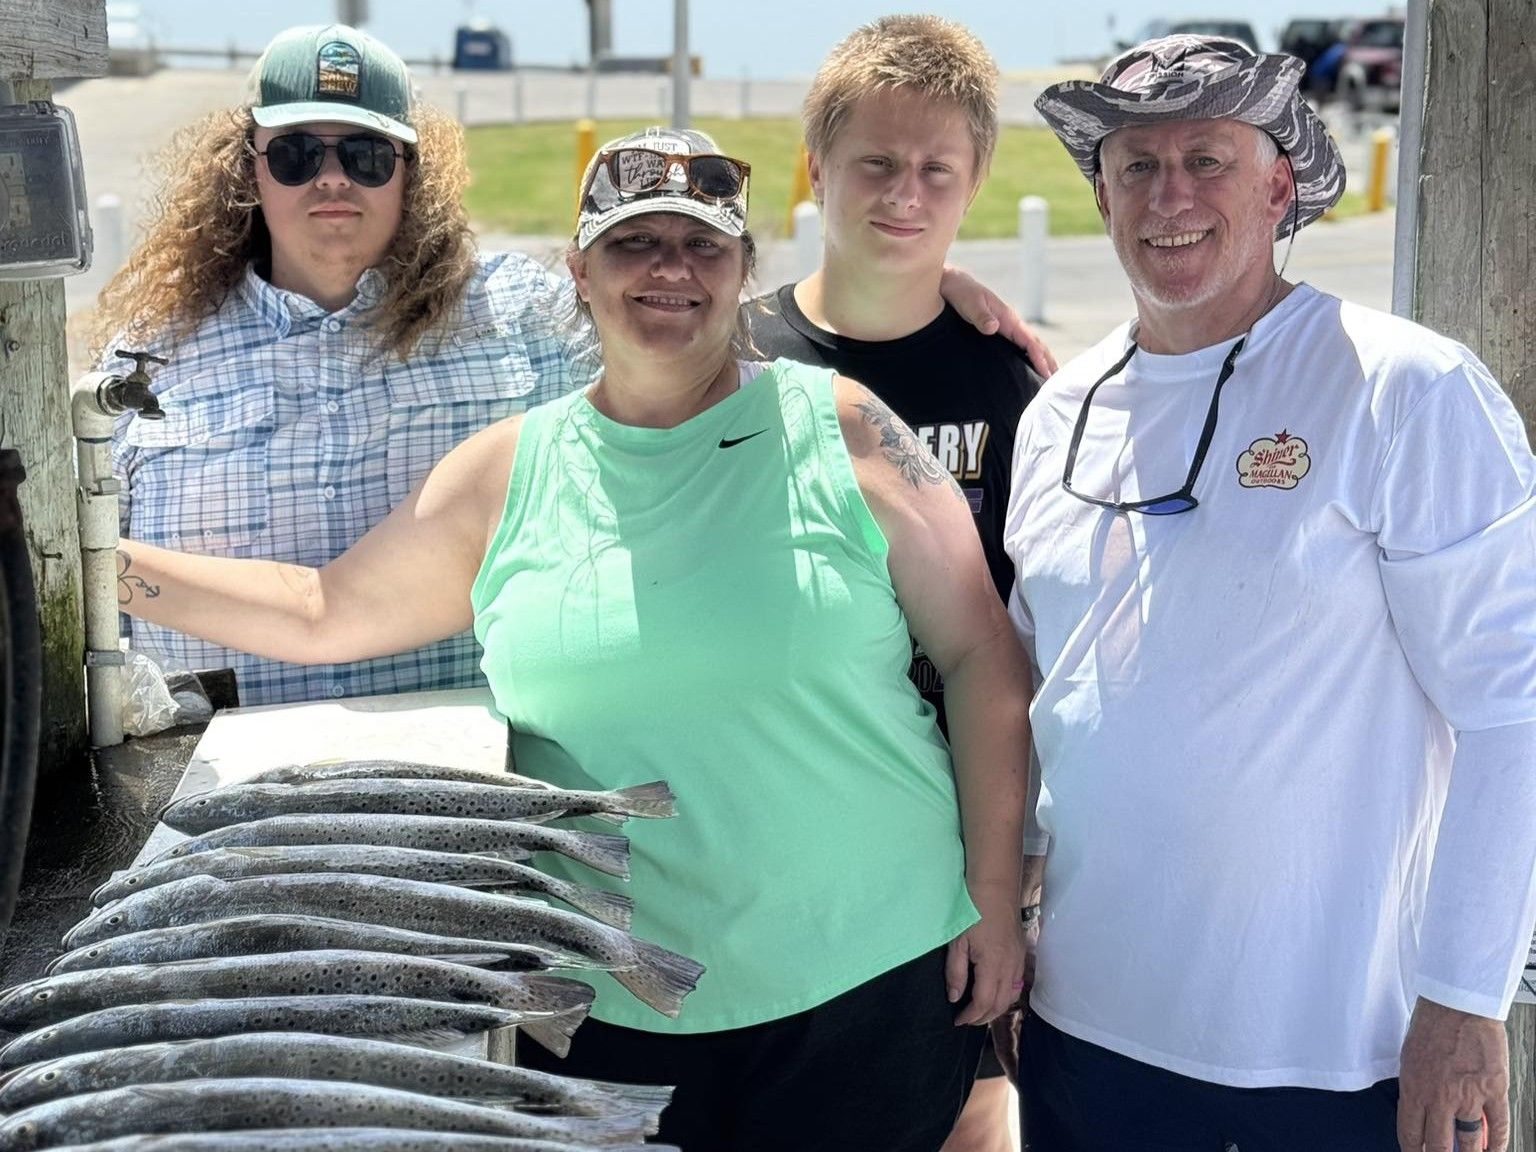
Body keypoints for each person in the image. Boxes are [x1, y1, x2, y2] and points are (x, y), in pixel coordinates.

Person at [113, 126, 1034, 1152]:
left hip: (870, 979)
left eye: (705, 246)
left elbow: (982, 658)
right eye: (637, 244)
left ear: (742, 273)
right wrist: (93, 562)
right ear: (581, 270)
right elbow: (320, 611)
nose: (671, 271)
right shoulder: (510, 474)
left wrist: (995, 895)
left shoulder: (850, 429)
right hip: (605, 1007)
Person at [98, 22, 1049, 708]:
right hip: (213, 790)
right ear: (248, 165)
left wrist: (927, 279)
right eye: (297, 151)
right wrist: (76, 567)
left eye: (367, 154)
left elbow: (687, 303)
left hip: (467, 802)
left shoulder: (519, 313)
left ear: (413, 170)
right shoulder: (146, 356)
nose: (332, 177)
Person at [1004, 35, 1536, 1152]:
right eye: (1137, 165)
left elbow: (1512, 709)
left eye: (1209, 157)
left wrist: (1467, 1000)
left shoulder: (1403, 385)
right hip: (1080, 1037)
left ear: (1280, 182)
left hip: (1334, 1057)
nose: (1172, 195)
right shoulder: (1059, 416)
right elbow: (1044, 703)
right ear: (1101, 192)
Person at [746, 17, 1041, 1151]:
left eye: (937, 171)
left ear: (974, 185)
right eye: (875, 162)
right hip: (788, 839)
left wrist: (1009, 884)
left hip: (956, 846)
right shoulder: (732, 362)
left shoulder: (1016, 386)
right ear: (816, 168)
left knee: (966, 1115)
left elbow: (1026, 638)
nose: (904, 193)